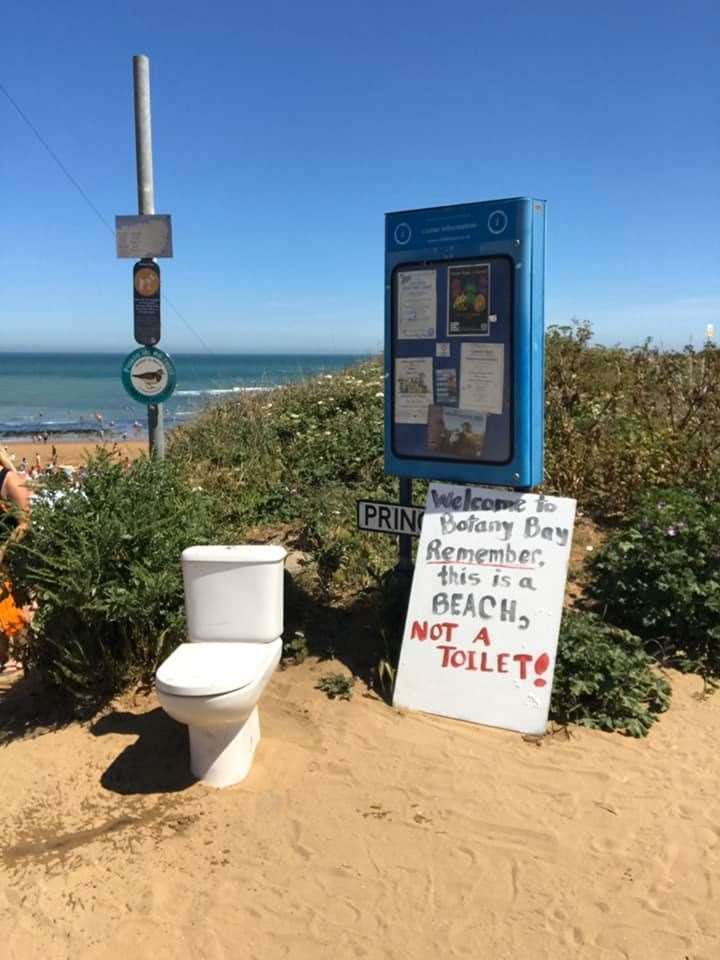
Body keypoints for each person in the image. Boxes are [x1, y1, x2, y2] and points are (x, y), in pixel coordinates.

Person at [0, 448, 32, 674]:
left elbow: (25, 523)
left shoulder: (10, 480)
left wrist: (3, 550)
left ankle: (19, 658)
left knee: (13, 607)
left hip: (11, 556)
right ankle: (5, 657)